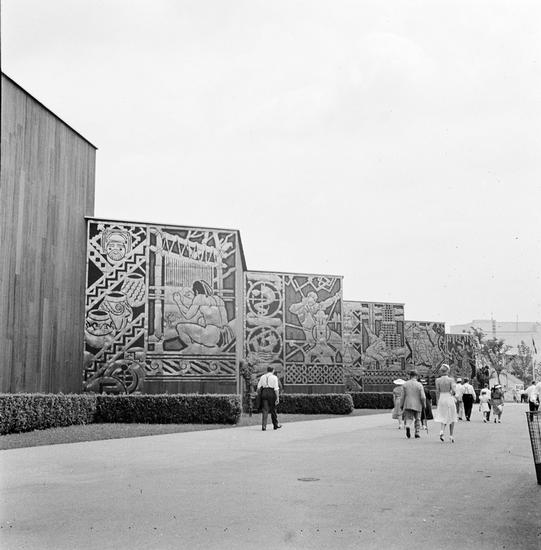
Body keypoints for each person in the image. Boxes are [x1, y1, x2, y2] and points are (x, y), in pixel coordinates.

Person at [434, 364, 458, 442]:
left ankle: (442, 430)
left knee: (443, 415)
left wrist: (437, 401)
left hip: (441, 398)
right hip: (448, 397)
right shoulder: (451, 380)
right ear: (448, 371)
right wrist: (454, 393)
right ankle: (451, 435)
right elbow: (454, 391)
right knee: (452, 416)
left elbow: (437, 391)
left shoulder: (437, 380)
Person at [399, 370, 426, 439]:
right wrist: (424, 404)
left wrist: (401, 405)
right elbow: (423, 397)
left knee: (409, 418)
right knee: (417, 418)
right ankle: (417, 432)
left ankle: (408, 426)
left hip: (408, 403)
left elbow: (402, 396)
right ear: (416, 376)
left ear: (410, 376)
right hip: (417, 403)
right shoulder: (419, 385)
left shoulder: (405, 384)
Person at [257, 366, 282, 431]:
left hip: (264, 393)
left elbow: (258, 387)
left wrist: (260, 394)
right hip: (271, 393)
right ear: (273, 370)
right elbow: (276, 389)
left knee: (265, 410)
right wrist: (277, 398)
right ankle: (275, 425)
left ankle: (264, 426)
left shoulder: (262, 377)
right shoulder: (274, 377)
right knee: (273, 409)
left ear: (267, 370)